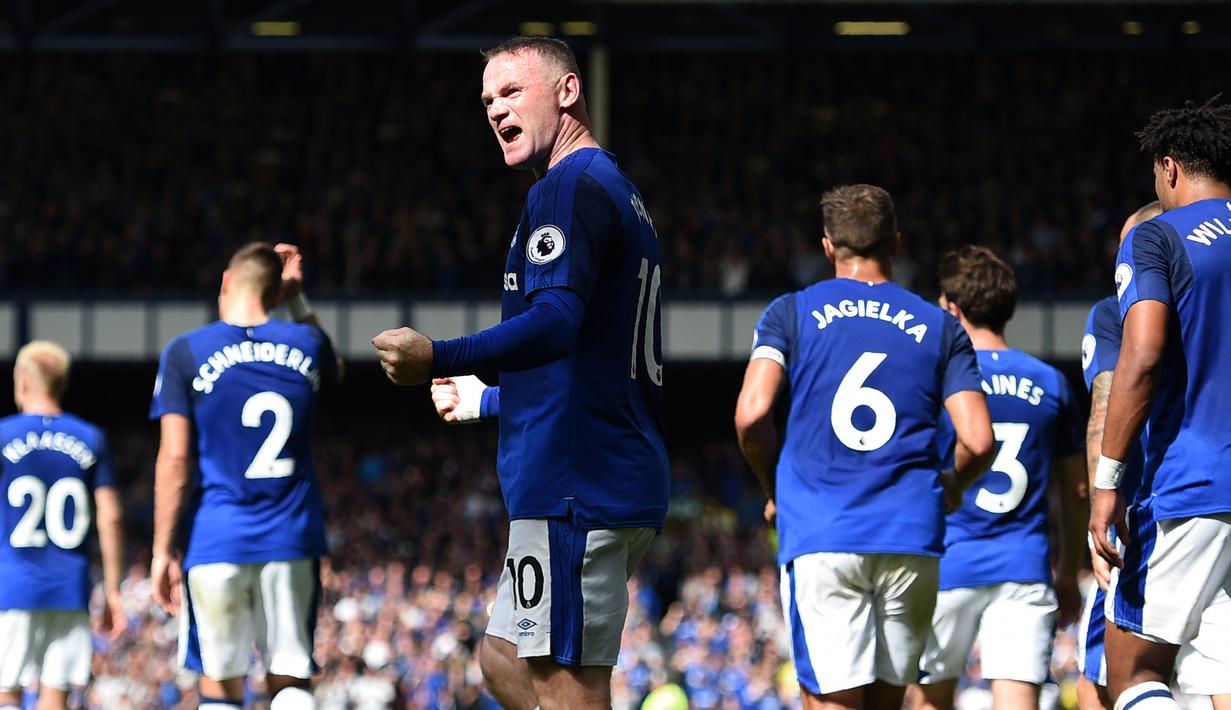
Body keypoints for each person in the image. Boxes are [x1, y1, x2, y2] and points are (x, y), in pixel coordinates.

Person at [373, 37, 668, 710]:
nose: (495, 110)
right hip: (588, 471)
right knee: (502, 657)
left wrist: (437, 357)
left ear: (567, 92)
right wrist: (487, 401)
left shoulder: (566, 190)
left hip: (577, 487)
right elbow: (589, 362)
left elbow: (556, 321)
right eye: (486, 100)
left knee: (568, 690)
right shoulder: (610, 189)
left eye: (511, 92)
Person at [733, 184, 995, 710]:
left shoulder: (790, 312)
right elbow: (979, 439)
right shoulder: (941, 327)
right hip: (911, 535)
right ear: (896, 243)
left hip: (822, 533)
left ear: (828, 247)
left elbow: (752, 413)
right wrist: (951, 484)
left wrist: (773, 487)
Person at [149, 243, 338, 710]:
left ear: (227, 283)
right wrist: (296, 300)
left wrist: (162, 550)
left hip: (216, 539)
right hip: (291, 539)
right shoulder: (307, 344)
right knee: (291, 676)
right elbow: (334, 370)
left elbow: (174, 461)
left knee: (219, 681)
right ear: (275, 295)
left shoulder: (185, 351)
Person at [1091, 99, 1231, 710]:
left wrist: (1107, 481)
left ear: (1169, 168)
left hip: (1192, 483)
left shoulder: (1158, 236)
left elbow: (1142, 355)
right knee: (1218, 679)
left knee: (1133, 672)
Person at [913, 246, 1085, 710]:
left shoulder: (937, 379)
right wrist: (1069, 571)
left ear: (952, 308)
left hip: (946, 563)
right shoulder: (1051, 382)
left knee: (930, 700)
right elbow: (1077, 489)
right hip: (1024, 564)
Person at [0, 341, 125, 710]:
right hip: (70, 587)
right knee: (56, 694)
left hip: (13, 585)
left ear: (23, 381)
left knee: (7, 690)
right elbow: (111, 516)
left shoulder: (3, 434)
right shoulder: (90, 437)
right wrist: (113, 590)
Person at [1077, 201, 1161, 710]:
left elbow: (1103, 411)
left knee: (1110, 678)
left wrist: (1098, 515)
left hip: (1142, 517)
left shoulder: (1115, 312)